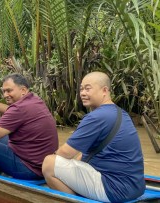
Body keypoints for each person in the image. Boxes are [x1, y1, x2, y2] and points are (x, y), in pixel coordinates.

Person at [42, 72, 145, 202]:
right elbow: (85, 152)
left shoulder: (96, 117)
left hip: (114, 189)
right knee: (76, 158)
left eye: (88, 88)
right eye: (81, 89)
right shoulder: (121, 113)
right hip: (135, 188)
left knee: (49, 163)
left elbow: (65, 153)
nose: (83, 93)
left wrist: (50, 162)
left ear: (104, 90)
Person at [0, 73, 58, 180]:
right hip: (44, 166)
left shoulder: (19, 109)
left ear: (23, 90)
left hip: (30, 170)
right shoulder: (34, 100)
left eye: (9, 90)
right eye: (4, 91)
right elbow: (9, 110)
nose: (5, 95)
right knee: (1, 136)